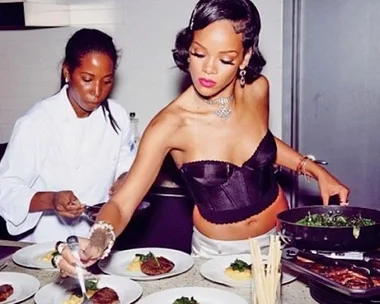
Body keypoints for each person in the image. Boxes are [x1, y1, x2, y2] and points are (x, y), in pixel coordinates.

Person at [56, 0, 349, 275]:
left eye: (225, 59)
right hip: (217, 255)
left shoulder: (259, 89)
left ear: (245, 57)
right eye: (198, 53)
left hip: (278, 240)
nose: (207, 69)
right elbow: (122, 203)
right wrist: (97, 240)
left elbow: (261, 142)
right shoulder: (170, 125)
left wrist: (313, 169)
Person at [0, 28, 135, 243]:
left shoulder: (117, 116)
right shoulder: (37, 122)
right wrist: (52, 200)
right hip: (46, 245)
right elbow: (5, 188)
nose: (97, 91)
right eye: (87, 79)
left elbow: (125, 163)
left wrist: (124, 179)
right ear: (67, 72)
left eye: (107, 81)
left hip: (100, 239)